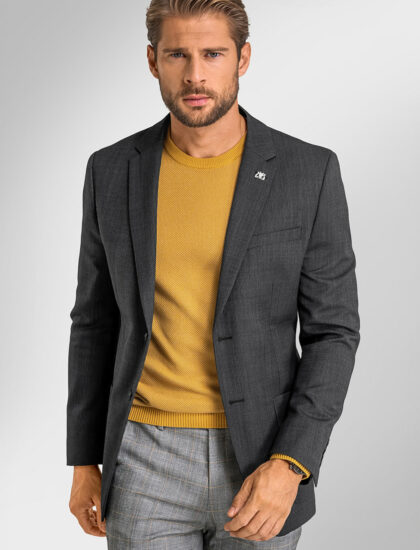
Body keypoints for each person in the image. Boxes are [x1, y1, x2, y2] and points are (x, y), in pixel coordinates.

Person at [67, 1, 360, 548]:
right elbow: (93, 322)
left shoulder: (309, 171)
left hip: (261, 459)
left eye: (213, 54)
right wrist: (84, 459)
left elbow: (334, 332)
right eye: (177, 54)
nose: (195, 75)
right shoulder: (111, 170)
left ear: (242, 58)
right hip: (143, 458)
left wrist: (292, 463)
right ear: (153, 61)